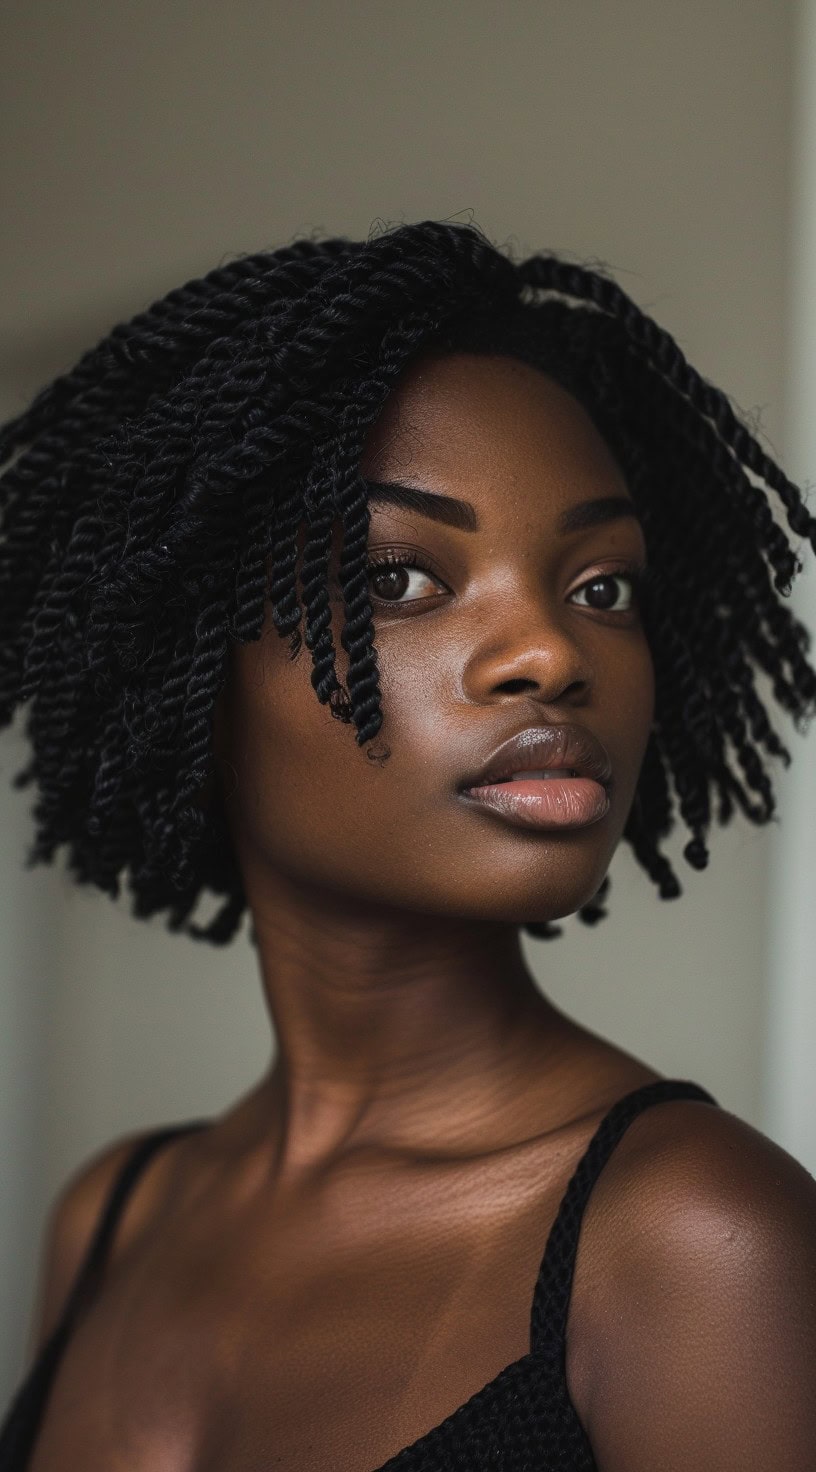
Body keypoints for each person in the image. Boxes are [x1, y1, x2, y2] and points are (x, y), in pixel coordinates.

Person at [1, 219, 815, 1471]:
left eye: (604, 587)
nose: (552, 654)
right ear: (183, 654)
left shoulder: (697, 1238)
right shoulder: (115, 1214)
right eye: (401, 579)